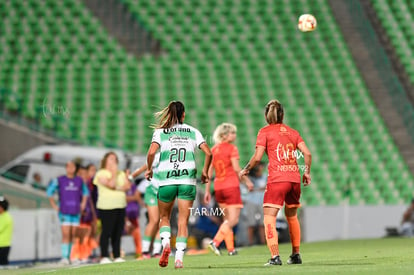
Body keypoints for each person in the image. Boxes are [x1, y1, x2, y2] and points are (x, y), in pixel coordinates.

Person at [239, 99, 312, 266]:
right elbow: (307, 154)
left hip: (277, 180)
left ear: (266, 116)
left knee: (269, 219)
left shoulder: (264, 132)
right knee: (292, 217)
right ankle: (295, 255)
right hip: (294, 180)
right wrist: (306, 173)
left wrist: (245, 170)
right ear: (283, 115)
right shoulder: (293, 132)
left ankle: (275, 257)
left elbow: (257, 158)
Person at [145, 100, 212, 269]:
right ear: (183, 115)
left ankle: (166, 243)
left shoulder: (160, 132)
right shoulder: (192, 131)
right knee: (183, 221)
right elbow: (209, 152)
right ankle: (179, 259)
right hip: (187, 180)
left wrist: (149, 170)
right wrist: (204, 172)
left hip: (166, 180)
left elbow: (152, 152)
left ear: (168, 114)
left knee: (164, 217)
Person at [204, 123, 254, 256]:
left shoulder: (213, 150)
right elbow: (237, 169)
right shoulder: (232, 148)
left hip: (218, 187)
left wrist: (207, 191)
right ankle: (215, 241)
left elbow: (208, 173)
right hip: (231, 186)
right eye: (232, 133)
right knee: (233, 220)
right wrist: (247, 181)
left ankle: (231, 249)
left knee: (226, 220)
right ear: (224, 135)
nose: (234, 135)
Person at [47, 161, 89, 265]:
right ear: (66, 168)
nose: (71, 168)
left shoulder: (79, 181)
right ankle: (64, 256)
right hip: (64, 211)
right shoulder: (60, 180)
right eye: (69, 166)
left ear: (75, 168)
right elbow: (49, 192)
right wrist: (54, 205)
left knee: (73, 234)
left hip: (75, 211)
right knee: (66, 234)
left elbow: (85, 192)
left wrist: (83, 203)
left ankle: (72, 256)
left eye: (73, 166)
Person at [93, 152, 131, 264]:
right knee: (107, 231)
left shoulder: (121, 173)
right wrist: (114, 174)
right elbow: (110, 184)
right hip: (107, 206)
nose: (113, 161)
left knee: (118, 232)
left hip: (120, 205)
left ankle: (117, 255)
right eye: (111, 159)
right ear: (105, 160)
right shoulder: (101, 173)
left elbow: (127, 187)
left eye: (115, 159)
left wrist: (120, 185)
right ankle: (104, 255)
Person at [130, 153, 162, 259]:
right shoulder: (160, 155)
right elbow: (146, 166)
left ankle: (157, 251)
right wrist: (132, 176)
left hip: (165, 191)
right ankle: (145, 250)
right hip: (152, 190)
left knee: (162, 222)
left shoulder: (178, 158)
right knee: (154, 221)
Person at [70, 165, 98, 264]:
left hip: (88, 214)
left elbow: (90, 201)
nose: (84, 176)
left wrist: (94, 215)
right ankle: (75, 255)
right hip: (78, 214)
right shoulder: (75, 186)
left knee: (87, 235)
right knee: (78, 236)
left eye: (85, 174)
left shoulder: (87, 187)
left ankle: (84, 255)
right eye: (81, 174)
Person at [245, 161, 267, 245]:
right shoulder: (250, 177)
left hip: (262, 201)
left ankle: (263, 241)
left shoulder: (265, 176)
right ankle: (250, 243)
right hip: (251, 201)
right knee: (251, 224)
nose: (259, 168)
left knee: (262, 223)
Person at [124, 179, 144, 259]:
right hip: (124, 215)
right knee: (121, 233)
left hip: (133, 214)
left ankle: (139, 253)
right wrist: (133, 198)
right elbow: (123, 198)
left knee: (136, 234)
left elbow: (137, 197)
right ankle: (117, 252)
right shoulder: (121, 187)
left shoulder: (133, 186)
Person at [0, 197, 13, 266]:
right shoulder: (2, 216)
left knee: (3, 266)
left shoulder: (6, 217)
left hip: (3, 245)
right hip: (2, 245)